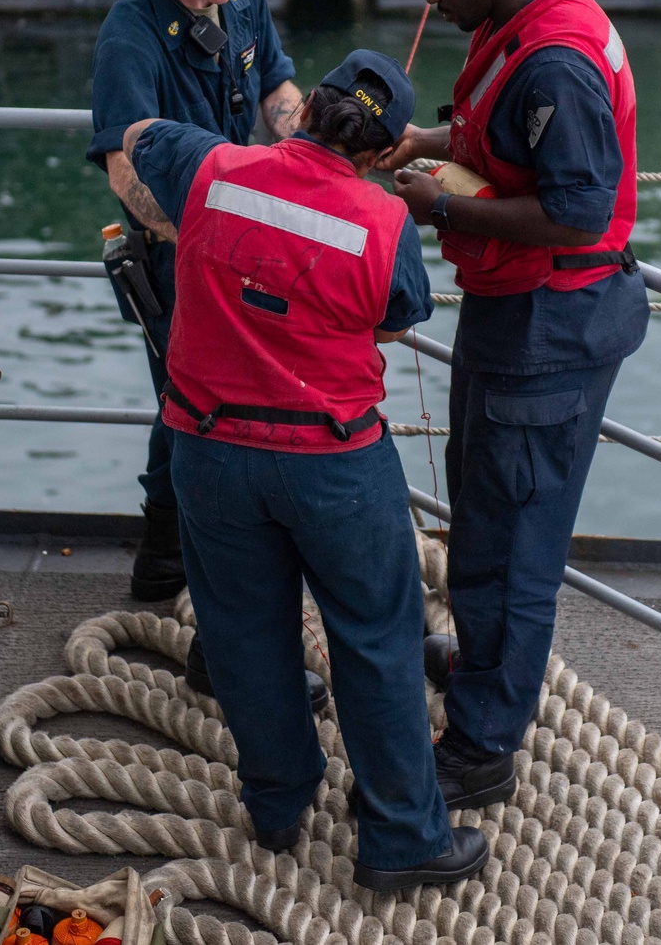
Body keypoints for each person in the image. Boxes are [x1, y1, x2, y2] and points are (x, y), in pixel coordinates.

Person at [123, 51, 489, 890]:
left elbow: (142, 135)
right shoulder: (384, 222)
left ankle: (279, 804)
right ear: (383, 151)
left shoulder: (213, 167)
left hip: (209, 453)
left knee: (246, 634)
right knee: (378, 641)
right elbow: (399, 318)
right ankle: (403, 840)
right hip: (332, 464)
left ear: (308, 110)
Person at [367, 0, 649, 811]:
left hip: (549, 327)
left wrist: (438, 205)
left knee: (513, 542)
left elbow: (577, 212)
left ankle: (483, 745)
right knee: (484, 511)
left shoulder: (558, 62)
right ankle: (482, 663)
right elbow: (503, 135)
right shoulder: (526, 20)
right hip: (516, 316)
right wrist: (424, 140)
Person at [87, 0, 306, 640]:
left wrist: (317, 151)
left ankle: (165, 559)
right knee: (198, 409)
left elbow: (276, 84)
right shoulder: (131, 36)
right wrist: (219, 237)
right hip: (179, 257)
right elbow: (124, 171)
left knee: (192, 405)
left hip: (240, 241)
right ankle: (189, 567)